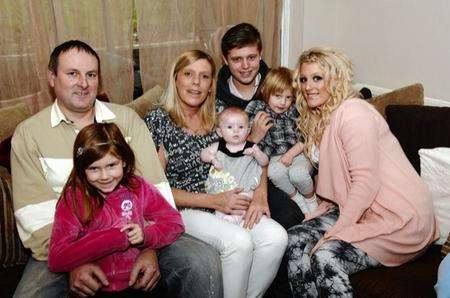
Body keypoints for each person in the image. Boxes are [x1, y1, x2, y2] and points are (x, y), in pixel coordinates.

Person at [11, 40, 222, 298]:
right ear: (52, 77)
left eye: (91, 75)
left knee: (202, 262)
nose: (83, 83)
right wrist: (76, 261)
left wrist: (148, 247)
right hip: (64, 248)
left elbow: (156, 191)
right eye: (72, 74)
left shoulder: (126, 121)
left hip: (136, 235)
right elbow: (34, 219)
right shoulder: (29, 134)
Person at [286, 46, 438, 297]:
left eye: (317, 78)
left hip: (401, 216)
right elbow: (340, 174)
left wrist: (338, 230)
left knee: (326, 255)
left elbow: (365, 181)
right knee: (294, 238)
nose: (308, 86)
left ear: (334, 80)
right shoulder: (322, 115)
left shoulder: (354, 113)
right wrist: (325, 204)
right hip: (366, 208)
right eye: (303, 79)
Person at [145, 49, 287, 298]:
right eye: (188, 74)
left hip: (231, 203)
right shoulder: (159, 119)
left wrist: (260, 195)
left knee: (276, 237)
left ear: (212, 84)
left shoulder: (221, 114)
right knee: (239, 242)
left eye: (204, 76)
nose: (196, 83)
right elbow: (156, 189)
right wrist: (213, 201)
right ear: (175, 78)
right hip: (185, 209)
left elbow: (253, 153)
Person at [48, 122, 184, 296]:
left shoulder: (137, 187)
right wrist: (116, 238)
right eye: (94, 169)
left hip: (140, 284)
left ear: (124, 162)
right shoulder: (73, 198)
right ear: (82, 170)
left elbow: (174, 223)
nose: (104, 176)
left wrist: (145, 236)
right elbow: (57, 258)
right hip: (95, 290)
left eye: (112, 165)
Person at [217, 22, 302, 298]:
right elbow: (222, 151)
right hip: (239, 174)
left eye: (251, 57)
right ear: (225, 60)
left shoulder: (276, 84)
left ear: (261, 54)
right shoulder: (217, 98)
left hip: (280, 166)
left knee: (289, 214)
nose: (245, 66)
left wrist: (261, 193)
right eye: (237, 59)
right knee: (279, 216)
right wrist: (251, 138)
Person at [245, 67, 317, 215]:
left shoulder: (294, 110)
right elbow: (244, 134)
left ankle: (312, 201)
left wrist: (291, 154)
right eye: (277, 96)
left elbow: (307, 136)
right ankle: (299, 202)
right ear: (266, 91)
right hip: (273, 158)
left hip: (298, 152)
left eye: (288, 97)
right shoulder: (257, 108)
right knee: (274, 173)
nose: (283, 102)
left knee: (298, 174)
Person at [201, 107, 269, 224]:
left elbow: (265, 162)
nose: (236, 131)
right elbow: (203, 154)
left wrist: (257, 154)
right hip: (222, 189)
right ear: (220, 132)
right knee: (219, 210)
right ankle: (221, 221)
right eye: (230, 127)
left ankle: (234, 220)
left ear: (248, 130)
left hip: (243, 187)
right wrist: (212, 159)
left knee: (242, 203)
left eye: (241, 127)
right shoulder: (219, 146)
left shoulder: (251, 147)